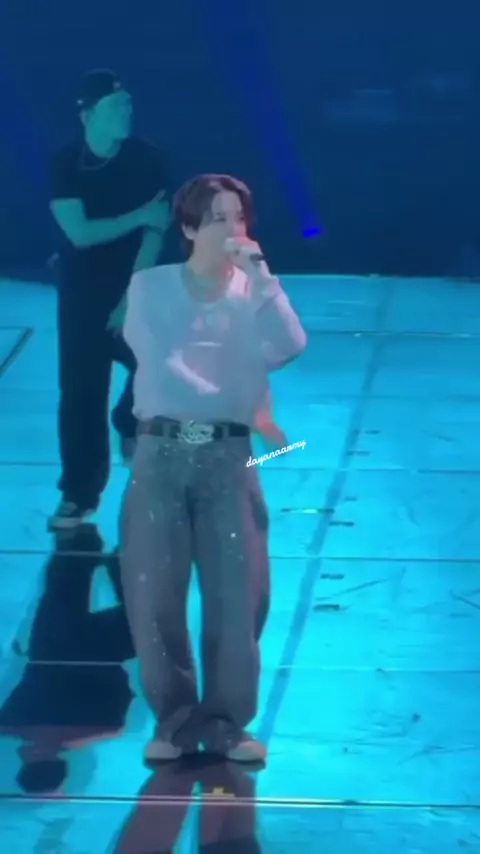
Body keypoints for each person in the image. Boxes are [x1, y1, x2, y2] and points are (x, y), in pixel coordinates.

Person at [119, 173, 307, 763]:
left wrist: (263, 279)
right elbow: (164, 364)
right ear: (190, 227)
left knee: (238, 591)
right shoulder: (151, 288)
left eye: (240, 217)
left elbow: (289, 345)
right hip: (162, 452)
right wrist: (232, 387)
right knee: (155, 593)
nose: (233, 229)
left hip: (228, 456)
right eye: (219, 218)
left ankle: (227, 723)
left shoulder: (253, 293)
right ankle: (173, 721)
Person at [48, 69, 170, 530]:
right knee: (80, 391)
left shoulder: (149, 158)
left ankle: (128, 421)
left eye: (128, 104)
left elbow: (156, 233)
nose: (126, 112)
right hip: (82, 291)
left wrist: (130, 298)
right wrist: (138, 215)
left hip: (135, 281)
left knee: (156, 365)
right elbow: (79, 233)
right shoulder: (65, 163)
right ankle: (79, 493)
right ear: (87, 115)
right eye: (116, 106)